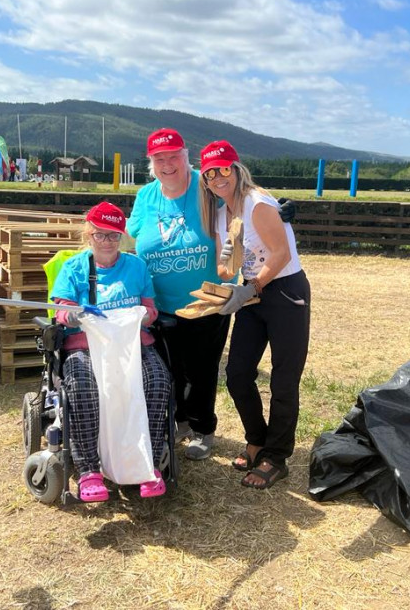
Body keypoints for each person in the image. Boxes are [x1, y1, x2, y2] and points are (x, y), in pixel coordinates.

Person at [197, 140, 311, 490]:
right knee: (237, 373)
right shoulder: (220, 213)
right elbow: (226, 266)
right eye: (210, 172)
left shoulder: (257, 203)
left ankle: (276, 457)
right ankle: (257, 439)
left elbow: (280, 253)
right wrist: (226, 275)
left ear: (237, 168)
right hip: (252, 291)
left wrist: (253, 286)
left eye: (224, 169)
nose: (218, 177)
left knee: (283, 377)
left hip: (285, 290)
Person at [50, 201, 171, 502]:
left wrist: (143, 316)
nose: (107, 242)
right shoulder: (74, 268)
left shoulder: (137, 267)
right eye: (100, 235)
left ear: (121, 237)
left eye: (113, 236)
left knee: (157, 380)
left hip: (132, 344)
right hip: (85, 346)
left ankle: (148, 464)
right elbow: (59, 309)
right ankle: (89, 470)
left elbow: (151, 309)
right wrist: (73, 315)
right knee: (82, 386)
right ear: (88, 235)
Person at [126, 129, 228, 460]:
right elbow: (128, 239)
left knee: (202, 369)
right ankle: (179, 420)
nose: (167, 164)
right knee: (168, 369)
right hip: (159, 302)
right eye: (159, 159)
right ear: (151, 163)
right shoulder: (145, 196)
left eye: (174, 156)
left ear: (187, 156)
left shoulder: (207, 185)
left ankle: (203, 429)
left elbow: (244, 200)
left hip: (207, 299)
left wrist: (275, 210)